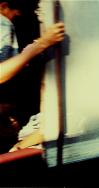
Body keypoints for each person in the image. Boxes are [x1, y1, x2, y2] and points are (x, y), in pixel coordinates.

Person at [0, 0, 65, 153]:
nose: (19, 14)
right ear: (3, 6)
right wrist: (42, 43)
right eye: (16, 10)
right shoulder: (2, 23)